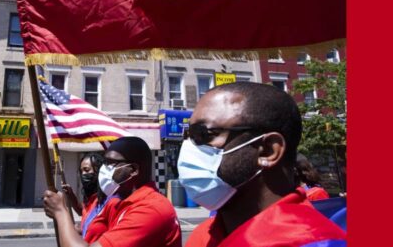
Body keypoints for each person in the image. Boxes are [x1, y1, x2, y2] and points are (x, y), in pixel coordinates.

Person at [178, 82, 346, 247]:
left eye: (203, 134)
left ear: (268, 151)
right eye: (187, 135)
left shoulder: (318, 242)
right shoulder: (204, 235)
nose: (189, 147)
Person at [43, 137, 181, 247]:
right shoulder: (121, 200)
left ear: (133, 170)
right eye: (105, 162)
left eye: (111, 163)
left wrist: (60, 212)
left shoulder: (151, 209)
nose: (104, 169)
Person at [62, 152, 122, 243]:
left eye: (86, 170)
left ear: (99, 171)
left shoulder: (112, 201)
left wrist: (59, 210)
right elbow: (83, 211)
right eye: (81, 171)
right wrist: (71, 195)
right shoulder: (92, 199)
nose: (83, 174)